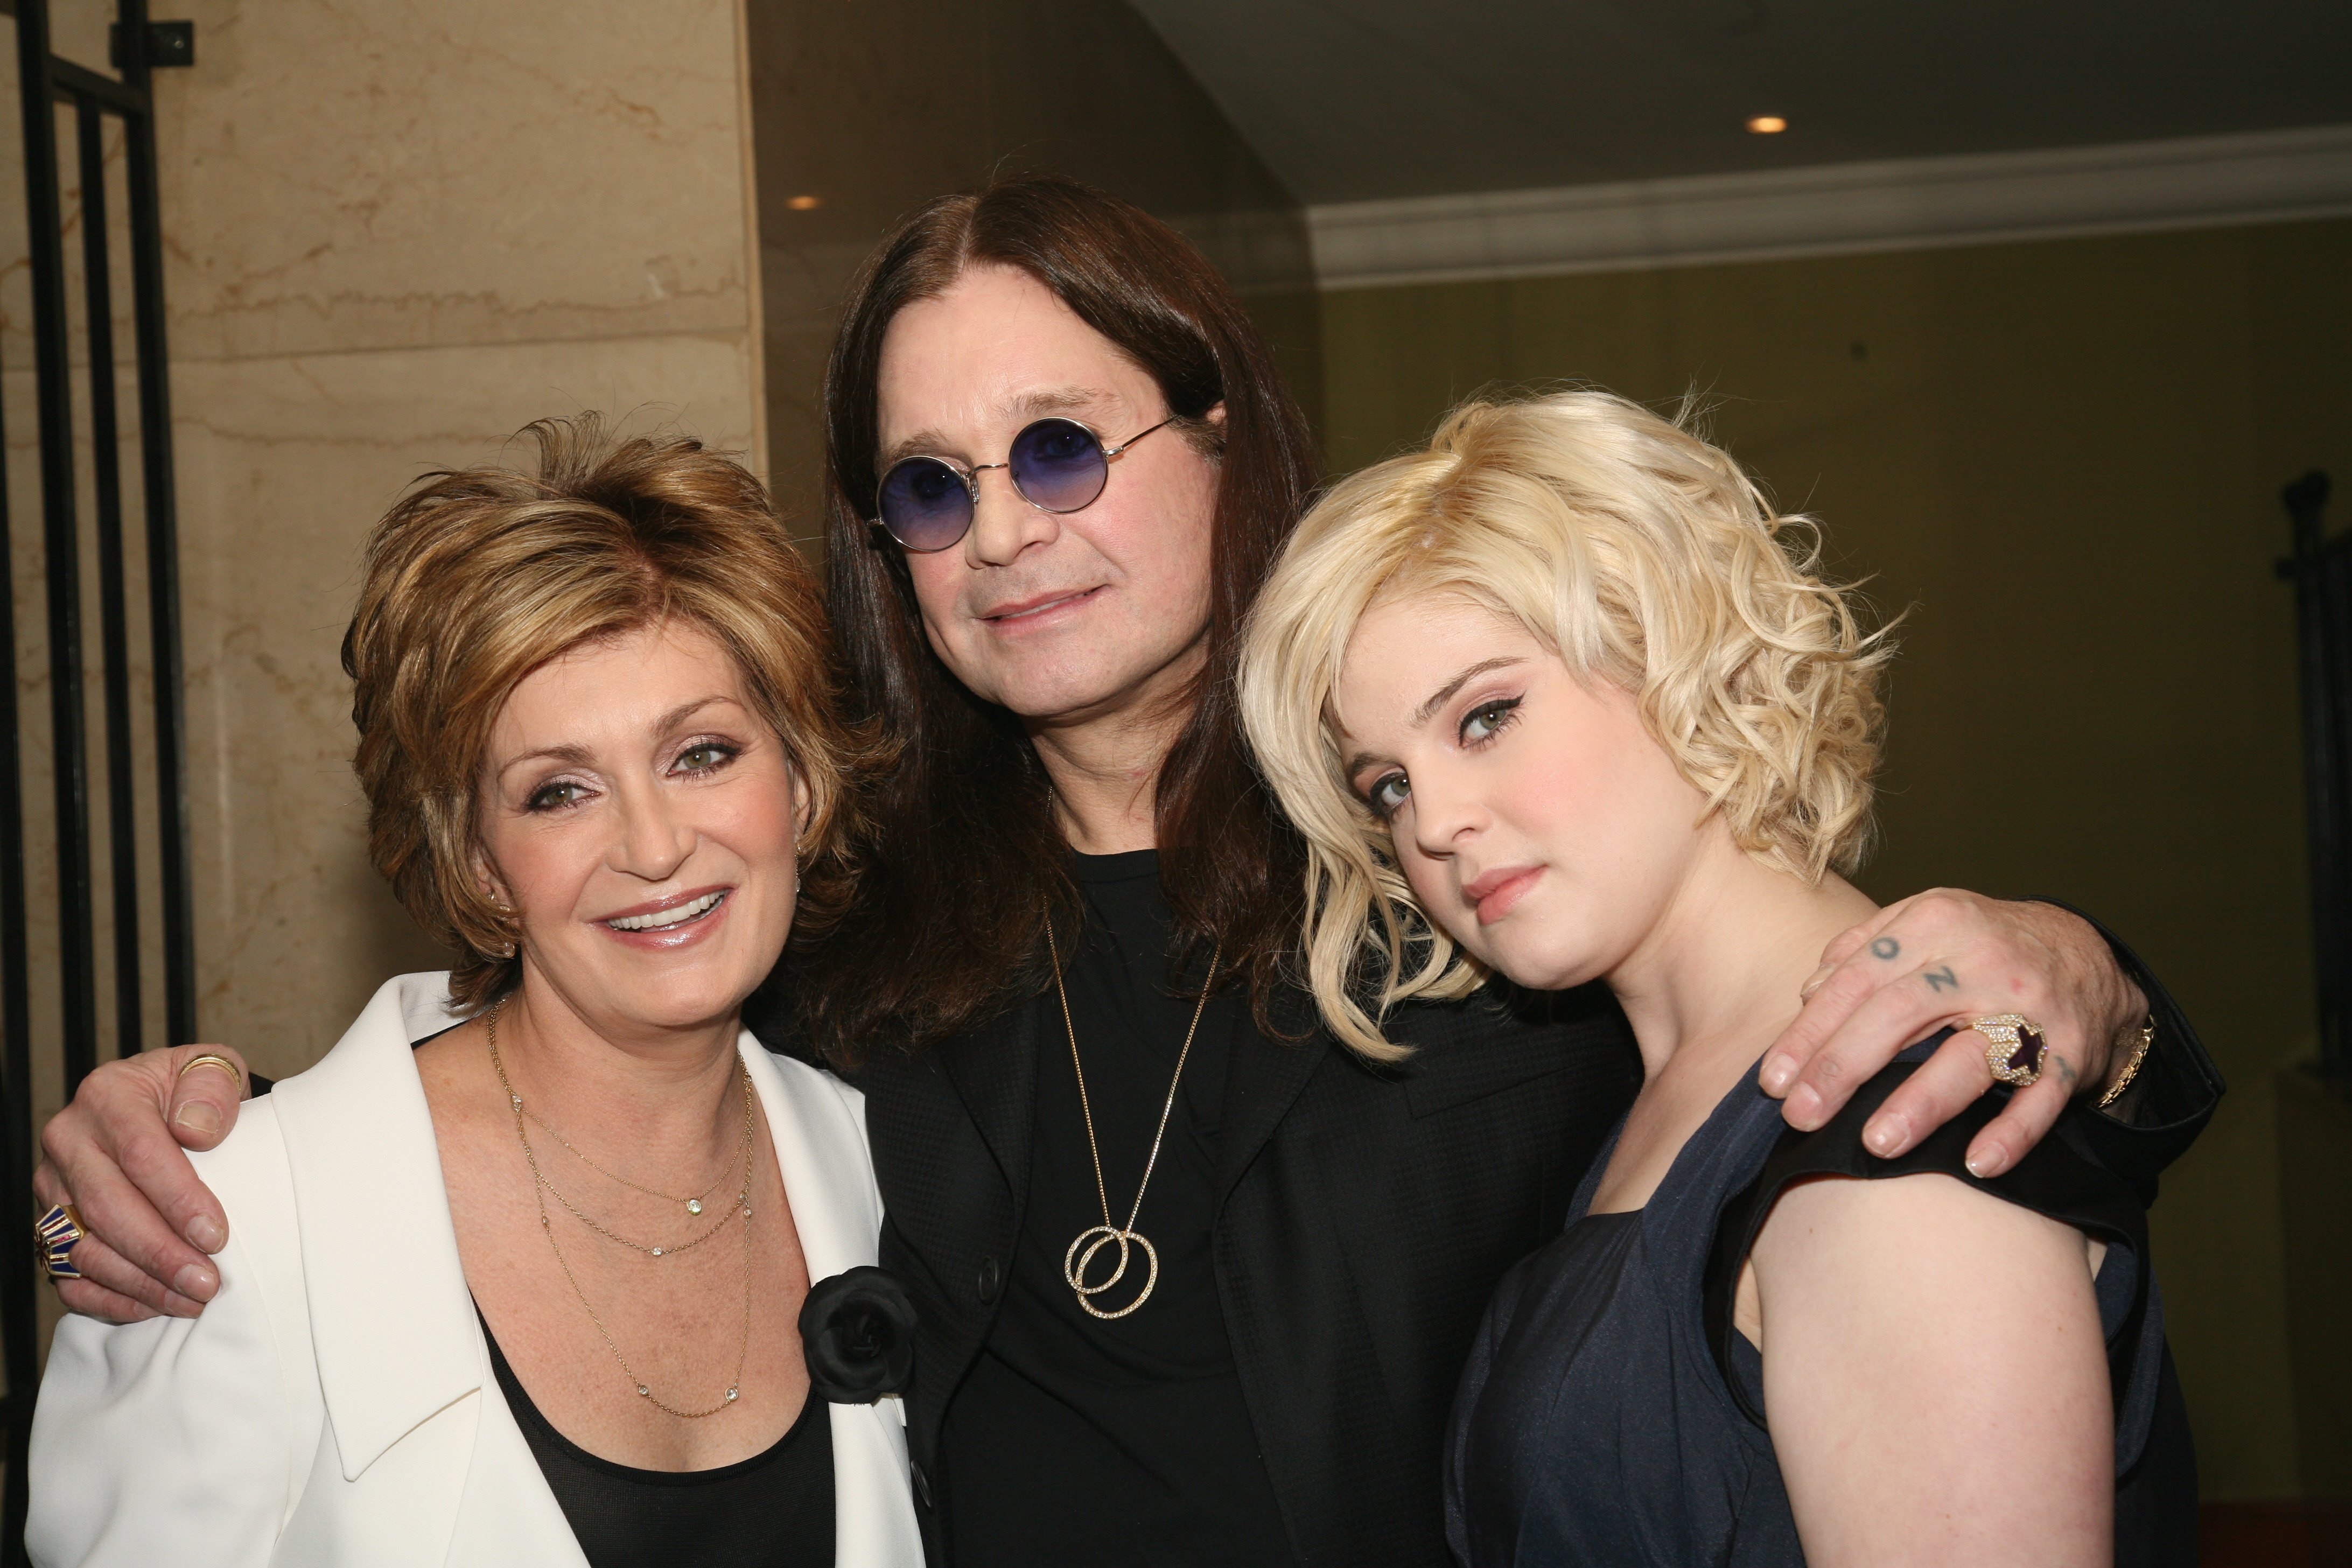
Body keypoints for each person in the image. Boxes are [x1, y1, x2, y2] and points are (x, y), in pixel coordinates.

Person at [37, 181, 2218, 1568]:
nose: (1012, 523)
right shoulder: (837, 932)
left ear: (1218, 436)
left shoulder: (1466, 866)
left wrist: (2081, 963)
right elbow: (574, 1019)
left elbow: (1827, 1057)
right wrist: (209, 1118)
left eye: (1066, 443)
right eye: (933, 481)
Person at [1236, 388, 2195, 1566]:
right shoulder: (1665, 1093)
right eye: (1384, 783)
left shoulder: (1892, 1135)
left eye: (1486, 717)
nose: (1432, 822)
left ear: (1677, 648)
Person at [27, 421, 924, 1567]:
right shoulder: (232, 1219)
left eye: (702, 753)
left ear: (797, 783)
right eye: (558, 791)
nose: (654, 847)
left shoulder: (881, 1154)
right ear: (480, 861)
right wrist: (61, 1226)